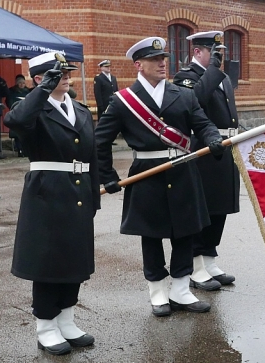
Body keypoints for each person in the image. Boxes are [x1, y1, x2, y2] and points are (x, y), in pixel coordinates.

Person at [94, 36, 225, 317]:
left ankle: (180, 290)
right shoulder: (122, 101)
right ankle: (157, 292)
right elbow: (100, 141)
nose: (162, 64)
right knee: (151, 236)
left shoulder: (184, 95)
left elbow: (203, 124)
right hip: (146, 175)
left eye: (163, 59)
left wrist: (212, 139)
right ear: (139, 65)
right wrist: (107, 175)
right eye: (155, 60)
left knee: (185, 233)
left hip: (183, 171)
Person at [4, 52, 100, 355]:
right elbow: (14, 120)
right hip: (47, 193)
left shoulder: (81, 111)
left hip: (78, 193)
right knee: (48, 262)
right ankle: (45, 325)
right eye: (58, 74)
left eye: (67, 73)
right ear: (40, 79)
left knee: (75, 259)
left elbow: (91, 156)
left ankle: (67, 320)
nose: (67, 77)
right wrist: (42, 90)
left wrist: (94, 197)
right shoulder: (32, 109)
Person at [173, 31, 241, 291]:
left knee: (220, 207)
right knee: (203, 209)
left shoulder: (220, 77)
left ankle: (210, 259)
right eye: (213, 53)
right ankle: (196, 265)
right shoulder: (186, 78)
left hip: (223, 148)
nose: (218, 58)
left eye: (219, 53)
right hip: (202, 149)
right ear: (197, 52)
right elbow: (196, 101)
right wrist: (212, 69)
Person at [6, 74, 31, 157]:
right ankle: (19, 149)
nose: (22, 85)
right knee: (17, 132)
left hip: (27, 113)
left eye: (23, 83)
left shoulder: (28, 91)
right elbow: (9, 102)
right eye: (20, 83)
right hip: (17, 112)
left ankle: (26, 150)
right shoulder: (12, 92)